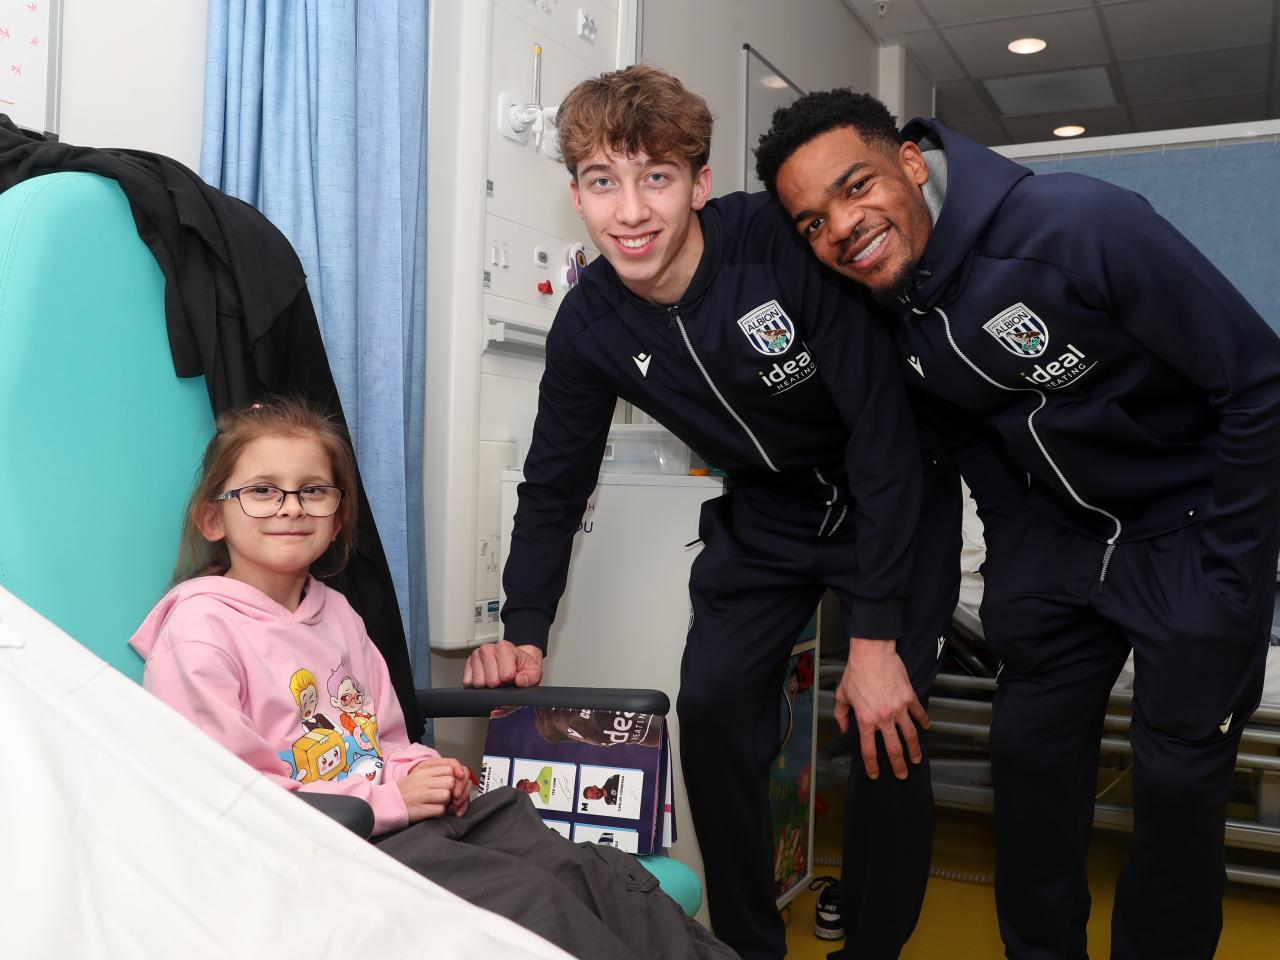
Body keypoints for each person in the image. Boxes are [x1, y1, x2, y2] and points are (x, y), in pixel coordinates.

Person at [756, 89, 1280, 960]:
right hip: (1059, 560)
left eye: (855, 188)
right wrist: (1021, 561)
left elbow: (1259, 383)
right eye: (812, 222)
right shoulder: (897, 309)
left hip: (1186, 540)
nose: (839, 228)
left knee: (1178, 800)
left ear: (912, 163)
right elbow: (970, 434)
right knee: (1032, 784)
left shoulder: (1077, 226)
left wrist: (1229, 572)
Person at [462, 64, 960, 960]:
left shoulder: (776, 242)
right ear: (574, 195)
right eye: (603, 182)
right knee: (716, 705)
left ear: (698, 182)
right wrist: (525, 623)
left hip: (889, 490)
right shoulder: (591, 325)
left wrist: (878, 639)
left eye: (655, 177)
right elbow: (554, 481)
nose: (632, 211)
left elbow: (884, 434)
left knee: (888, 725)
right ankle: (745, 945)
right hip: (767, 514)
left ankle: (874, 945)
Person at [129, 397, 734, 960]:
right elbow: (232, 801)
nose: (291, 506)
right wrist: (393, 798)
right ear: (213, 518)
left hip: (400, 820)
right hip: (329, 848)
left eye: (313, 491)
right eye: (262, 491)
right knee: (535, 902)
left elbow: (383, 741)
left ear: (338, 520)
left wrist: (422, 771)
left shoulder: (334, 612)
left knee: (589, 871)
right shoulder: (200, 630)